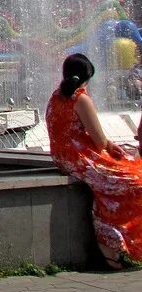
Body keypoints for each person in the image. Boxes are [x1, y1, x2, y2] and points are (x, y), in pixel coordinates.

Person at [45, 53, 142, 269]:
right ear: (88, 76)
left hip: (63, 157)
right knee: (135, 178)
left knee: (117, 180)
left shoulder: (56, 95)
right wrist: (110, 146)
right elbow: (99, 141)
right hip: (80, 158)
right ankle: (111, 242)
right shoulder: (80, 99)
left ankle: (113, 244)